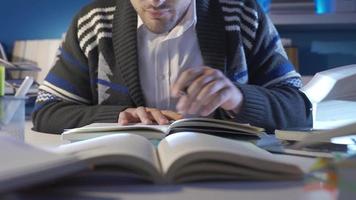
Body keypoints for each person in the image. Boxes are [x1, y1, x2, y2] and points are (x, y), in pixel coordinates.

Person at [32, 0, 312, 134]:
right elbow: (47, 110)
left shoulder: (242, 15)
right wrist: (118, 116)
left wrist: (238, 98)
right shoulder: (93, 23)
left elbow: (300, 111)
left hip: (227, 177)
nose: (155, 2)